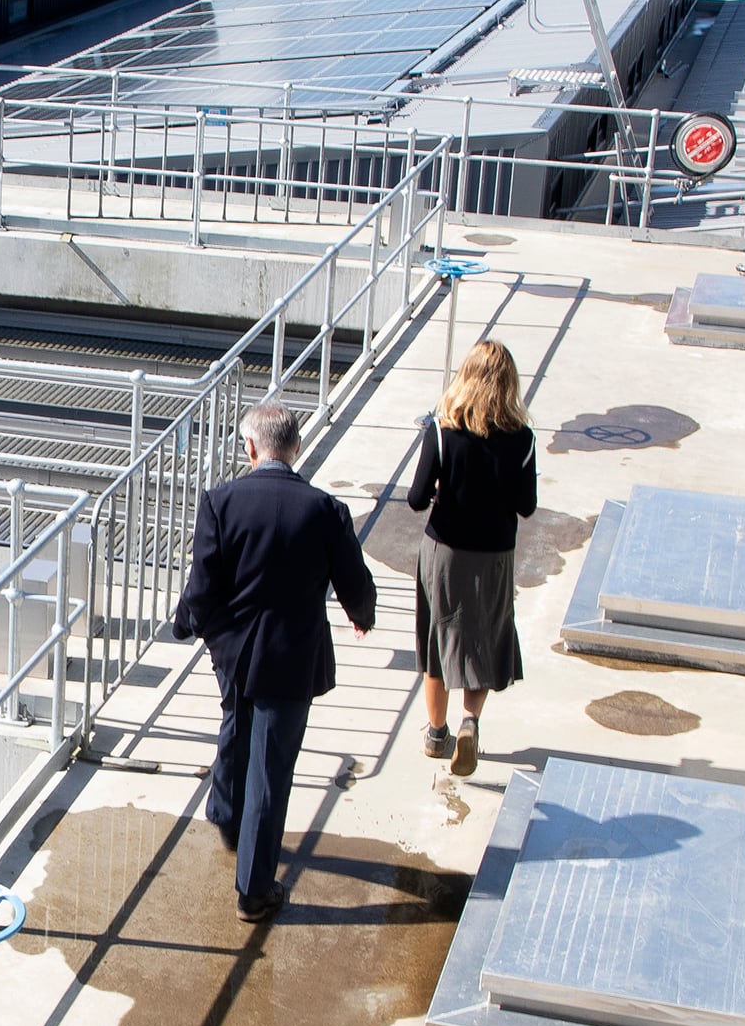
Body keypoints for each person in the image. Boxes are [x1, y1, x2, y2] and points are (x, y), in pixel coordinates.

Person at [170, 402, 378, 922]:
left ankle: (224, 817)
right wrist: (362, 613)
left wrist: (197, 626)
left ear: (251, 448)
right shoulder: (325, 509)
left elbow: (203, 583)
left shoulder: (221, 501)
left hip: (234, 648)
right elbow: (353, 579)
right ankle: (254, 890)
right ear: (297, 448)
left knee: (235, 729)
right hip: (291, 653)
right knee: (270, 765)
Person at [404, 339, 539, 778]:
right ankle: (470, 722)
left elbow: (416, 498)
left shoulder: (442, 431)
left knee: (438, 640)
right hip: (494, 554)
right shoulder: (522, 439)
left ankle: (436, 733)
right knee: (483, 638)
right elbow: (527, 505)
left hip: (445, 551)